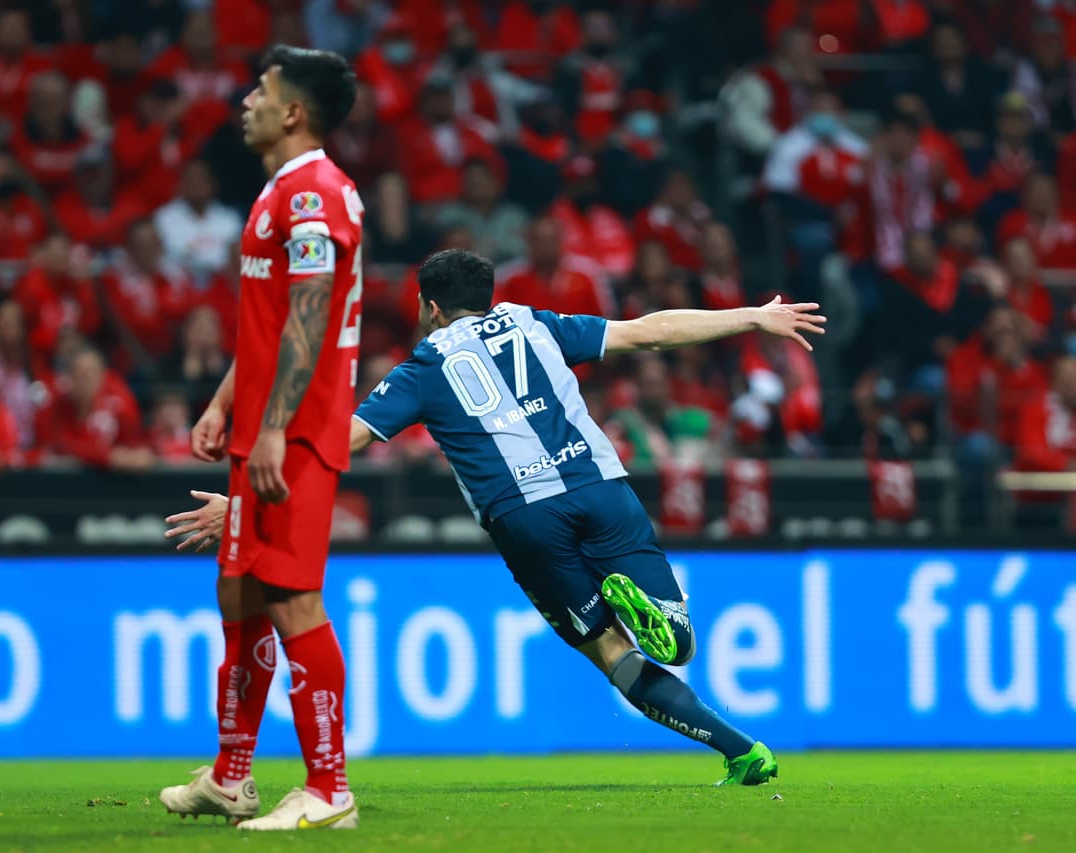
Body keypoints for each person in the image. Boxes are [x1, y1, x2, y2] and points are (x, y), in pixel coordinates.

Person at [167, 249, 826, 785]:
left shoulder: (421, 368)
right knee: (676, 640)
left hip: (522, 516)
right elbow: (647, 331)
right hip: (599, 485)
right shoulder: (534, 323)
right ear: (488, 294)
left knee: (610, 652)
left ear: (429, 307)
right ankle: (672, 630)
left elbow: (343, 445)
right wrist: (750, 317)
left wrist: (244, 503)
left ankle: (742, 749)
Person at [157, 45, 364, 832]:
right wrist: (223, 403)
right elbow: (271, 323)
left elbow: (311, 308)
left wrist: (273, 424)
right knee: (239, 596)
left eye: (261, 89)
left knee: (293, 599)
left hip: (297, 434)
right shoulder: (282, 191)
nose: (244, 99)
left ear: (293, 112)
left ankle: (329, 789)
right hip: (261, 429)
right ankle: (231, 774)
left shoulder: (313, 193)